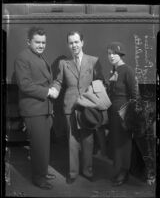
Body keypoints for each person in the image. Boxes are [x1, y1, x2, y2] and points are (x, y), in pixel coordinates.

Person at [52, 31, 104, 184]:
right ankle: (72, 173)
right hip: (71, 107)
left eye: (76, 42)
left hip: (88, 107)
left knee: (88, 140)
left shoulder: (94, 61)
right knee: (72, 140)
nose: (74, 45)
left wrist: (93, 99)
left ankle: (88, 171)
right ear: (68, 45)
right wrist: (54, 89)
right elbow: (58, 81)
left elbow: (100, 82)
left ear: (82, 42)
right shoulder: (64, 64)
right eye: (71, 43)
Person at [14, 27, 58, 189]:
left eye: (43, 42)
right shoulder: (23, 57)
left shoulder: (38, 56)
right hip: (34, 109)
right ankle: (38, 178)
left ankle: (42, 171)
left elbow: (44, 80)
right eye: (37, 42)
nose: (41, 45)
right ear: (28, 42)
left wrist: (53, 88)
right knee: (38, 145)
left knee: (44, 144)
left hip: (44, 108)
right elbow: (25, 85)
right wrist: (48, 91)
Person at [107, 42, 137, 186]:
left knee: (124, 143)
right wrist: (110, 82)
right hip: (113, 112)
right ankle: (119, 170)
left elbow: (135, 94)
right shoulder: (114, 71)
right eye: (109, 53)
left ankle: (124, 172)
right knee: (116, 142)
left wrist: (129, 114)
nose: (111, 56)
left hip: (124, 112)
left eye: (114, 53)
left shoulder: (127, 70)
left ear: (120, 55)